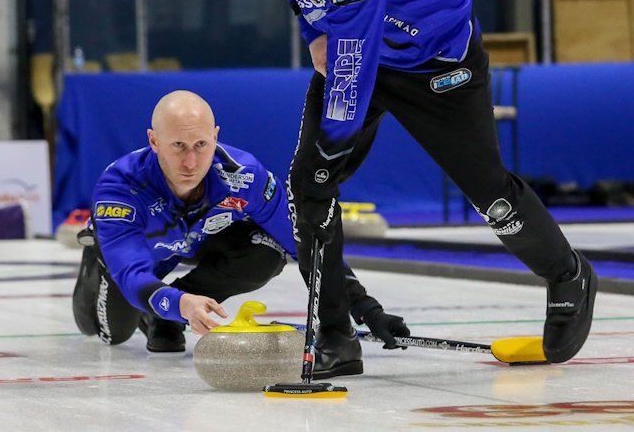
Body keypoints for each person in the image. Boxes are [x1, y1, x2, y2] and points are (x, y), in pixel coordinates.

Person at [209, 0, 597, 370]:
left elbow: (352, 64)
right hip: (362, 41)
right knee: (308, 188)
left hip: (437, 59)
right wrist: (313, 31)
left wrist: (332, 140)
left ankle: (567, 274)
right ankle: (335, 334)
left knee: (488, 192)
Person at [72, 90, 409, 378]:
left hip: (198, 238)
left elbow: (303, 242)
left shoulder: (244, 175)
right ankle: (100, 258)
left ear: (215, 136)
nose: (191, 161)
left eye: (201, 144)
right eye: (178, 145)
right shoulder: (120, 189)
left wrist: (366, 308)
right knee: (112, 333)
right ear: (153, 140)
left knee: (267, 252)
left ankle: (166, 313)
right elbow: (132, 275)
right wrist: (179, 304)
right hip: (140, 259)